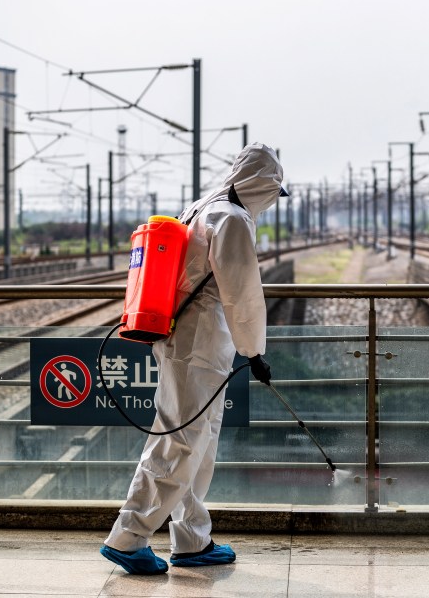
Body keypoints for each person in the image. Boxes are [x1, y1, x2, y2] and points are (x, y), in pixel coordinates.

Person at [100, 142, 285, 575]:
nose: (273, 202)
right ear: (265, 186)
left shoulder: (203, 206)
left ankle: (192, 539)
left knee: (198, 444)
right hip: (198, 344)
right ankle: (127, 538)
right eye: (274, 193)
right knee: (179, 440)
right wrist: (254, 351)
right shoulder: (232, 219)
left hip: (184, 338)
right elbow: (242, 294)